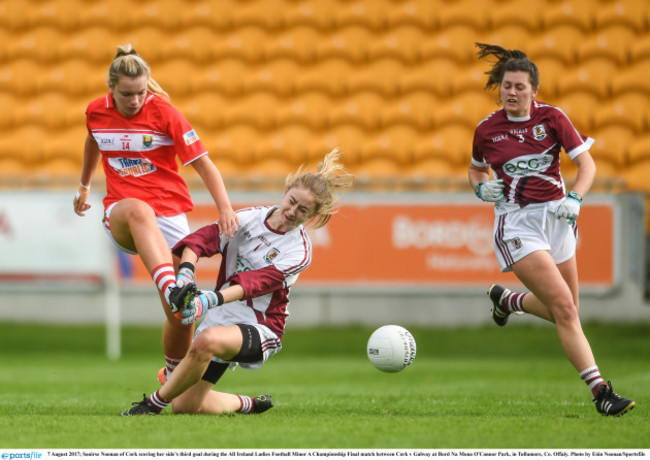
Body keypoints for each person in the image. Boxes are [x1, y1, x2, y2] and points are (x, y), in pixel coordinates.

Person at [468, 43, 635, 417]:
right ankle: (602, 393)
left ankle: (508, 301)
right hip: (516, 222)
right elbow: (476, 168)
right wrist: (480, 187)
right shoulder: (486, 129)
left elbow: (587, 165)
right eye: (506, 86)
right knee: (564, 308)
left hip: (558, 218)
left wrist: (576, 197)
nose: (511, 92)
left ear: (534, 90)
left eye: (519, 87)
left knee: (568, 309)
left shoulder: (553, 119)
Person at [121, 149, 353, 416]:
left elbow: (252, 284)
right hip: (219, 320)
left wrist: (207, 299)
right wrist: (185, 272)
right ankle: (249, 404)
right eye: (292, 202)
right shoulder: (249, 218)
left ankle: (150, 405)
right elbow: (201, 241)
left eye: (303, 210)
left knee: (206, 341)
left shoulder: (299, 251)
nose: (292, 212)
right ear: (286, 190)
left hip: (260, 327)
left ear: (313, 215)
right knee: (184, 407)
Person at [73, 44, 240, 377]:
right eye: (126, 94)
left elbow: (205, 165)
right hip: (124, 212)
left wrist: (225, 209)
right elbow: (93, 140)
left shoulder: (165, 113)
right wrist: (84, 186)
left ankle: (174, 378)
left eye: (140, 92)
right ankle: (171, 286)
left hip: (169, 214)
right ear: (111, 89)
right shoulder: (96, 112)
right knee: (138, 210)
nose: (135, 100)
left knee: (182, 315)